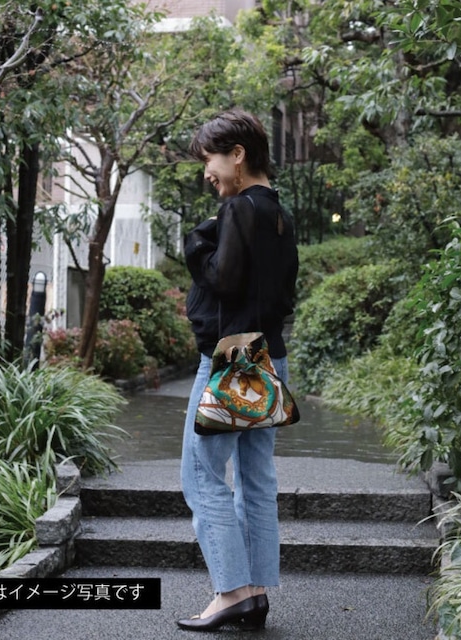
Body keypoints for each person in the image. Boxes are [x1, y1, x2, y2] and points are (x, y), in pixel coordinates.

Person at [178, 109, 299, 632]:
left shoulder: (238, 210)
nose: (207, 171)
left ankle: (231, 591)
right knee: (255, 477)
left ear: (237, 155)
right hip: (269, 355)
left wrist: (195, 247)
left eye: (209, 159)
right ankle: (254, 593)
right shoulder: (278, 212)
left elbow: (224, 281)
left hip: (231, 359)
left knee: (201, 475)